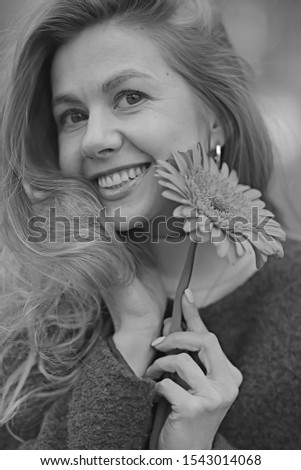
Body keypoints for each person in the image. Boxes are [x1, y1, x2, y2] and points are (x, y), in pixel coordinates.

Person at [0, 0, 301, 450]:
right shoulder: (31, 328)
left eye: (131, 97)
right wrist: (133, 336)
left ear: (216, 116)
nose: (95, 139)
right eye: (74, 116)